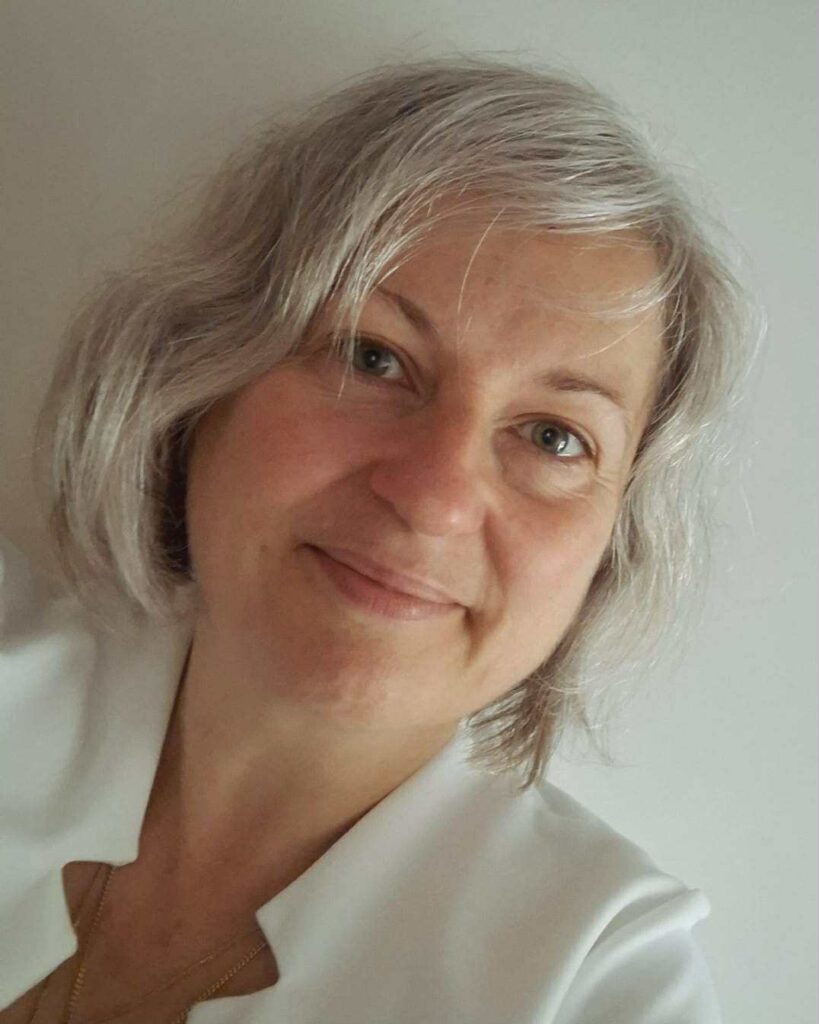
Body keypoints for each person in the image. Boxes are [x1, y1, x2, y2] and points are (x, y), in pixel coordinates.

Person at [0, 57, 751, 1023]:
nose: (435, 500)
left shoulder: (595, 986)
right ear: (202, 375)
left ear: (614, 544)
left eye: (552, 437)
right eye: (373, 357)